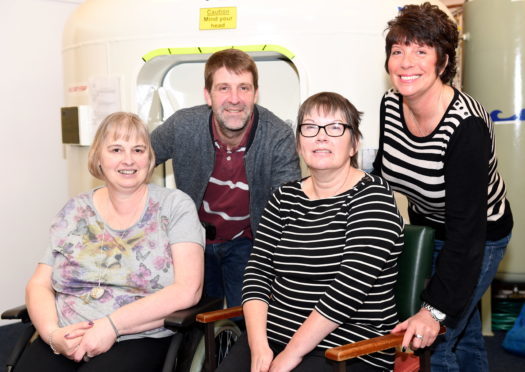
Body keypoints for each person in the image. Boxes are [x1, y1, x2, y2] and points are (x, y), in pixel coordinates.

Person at [217, 92, 404, 372]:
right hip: (273, 340)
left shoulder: (373, 198)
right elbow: (257, 272)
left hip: (346, 349)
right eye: (310, 127)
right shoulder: (284, 197)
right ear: (299, 143)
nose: (321, 136)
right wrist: (258, 348)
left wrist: (290, 356)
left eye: (335, 128)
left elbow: (347, 289)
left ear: (354, 144)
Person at [373, 3, 514, 371]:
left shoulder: (465, 125)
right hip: (428, 227)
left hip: (480, 235)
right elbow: (380, 176)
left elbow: (467, 235)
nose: (406, 62)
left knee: (433, 337)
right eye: (398, 50)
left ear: (443, 60)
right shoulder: (390, 105)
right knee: (463, 330)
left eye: (421, 51)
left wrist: (433, 312)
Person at [16, 112, 205, 372]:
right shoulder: (75, 210)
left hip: (137, 336)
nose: (128, 159)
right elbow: (38, 284)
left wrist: (112, 325)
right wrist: (52, 335)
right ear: (98, 158)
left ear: (149, 159)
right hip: (67, 332)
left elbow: (188, 289)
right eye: (116, 149)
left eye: (138, 149)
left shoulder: (173, 206)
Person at [150, 48, 301, 308]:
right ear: (208, 95)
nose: (234, 99)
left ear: (255, 93)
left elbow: (287, 210)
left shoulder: (278, 136)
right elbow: (138, 161)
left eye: (244, 88)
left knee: (243, 319)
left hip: (247, 242)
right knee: (192, 319)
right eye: (223, 88)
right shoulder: (183, 126)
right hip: (192, 238)